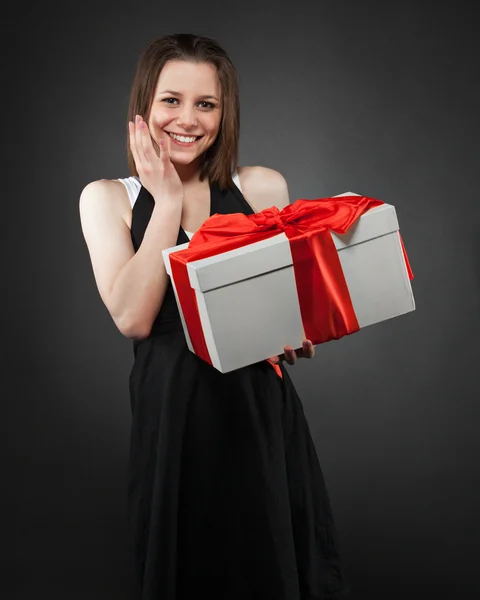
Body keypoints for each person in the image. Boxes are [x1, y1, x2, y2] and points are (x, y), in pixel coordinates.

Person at [79, 33, 349, 600]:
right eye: (171, 101)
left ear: (225, 114)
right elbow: (132, 317)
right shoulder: (108, 198)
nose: (188, 119)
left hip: (258, 415)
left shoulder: (261, 186)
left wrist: (301, 333)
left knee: (274, 567)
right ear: (144, 107)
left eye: (207, 104)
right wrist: (167, 202)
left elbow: (288, 313)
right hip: (174, 420)